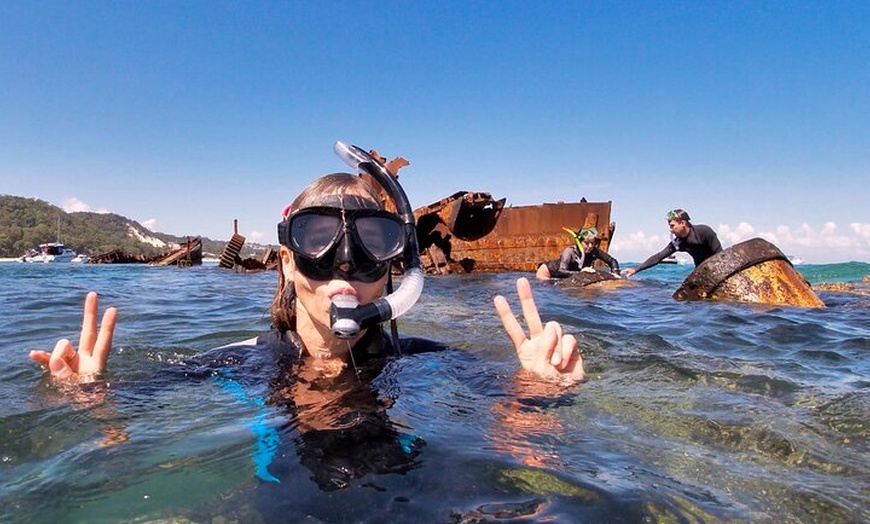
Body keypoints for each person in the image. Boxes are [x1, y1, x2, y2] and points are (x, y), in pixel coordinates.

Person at [27, 142, 583, 490]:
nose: (346, 263)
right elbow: (120, 439)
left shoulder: (424, 361)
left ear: (396, 269)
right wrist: (86, 398)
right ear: (288, 263)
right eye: (319, 239)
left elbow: (524, 436)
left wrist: (539, 394)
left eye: (372, 243)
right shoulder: (236, 363)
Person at [622, 208, 722, 277]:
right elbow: (658, 257)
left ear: (683, 223)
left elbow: (720, 254)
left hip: (718, 268)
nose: (670, 229)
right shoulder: (678, 242)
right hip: (700, 272)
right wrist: (635, 270)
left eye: (672, 226)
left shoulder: (704, 232)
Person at [535, 227, 621, 280]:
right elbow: (561, 271)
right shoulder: (570, 251)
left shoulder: (594, 251)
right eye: (586, 243)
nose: (590, 246)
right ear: (579, 242)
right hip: (548, 272)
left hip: (567, 273)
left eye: (592, 243)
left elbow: (612, 261)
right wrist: (581, 273)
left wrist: (616, 273)